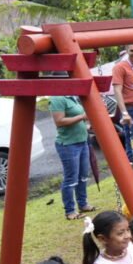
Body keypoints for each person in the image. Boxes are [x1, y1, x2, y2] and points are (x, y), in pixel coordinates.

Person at [49, 92, 94, 220]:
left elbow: (78, 118)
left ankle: (83, 204)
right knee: (71, 178)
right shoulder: (57, 98)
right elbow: (59, 121)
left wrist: (86, 125)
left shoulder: (71, 96)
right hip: (68, 144)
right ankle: (70, 211)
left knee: (83, 176)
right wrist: (82, 117)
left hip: (82, 141)